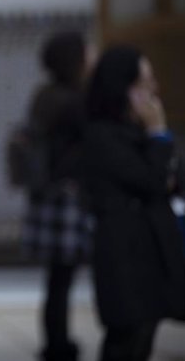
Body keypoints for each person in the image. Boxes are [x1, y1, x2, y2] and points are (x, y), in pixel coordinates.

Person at [83, 45, 185, 361]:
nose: (152, 91)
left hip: (153, 249)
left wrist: (158, 139)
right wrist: (157, 134)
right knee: (127, 335)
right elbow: (152, 181)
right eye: (143, 83)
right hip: (125, 253)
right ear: (121, 87)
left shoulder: (136, 132)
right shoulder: (102, 135)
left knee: (146, 332)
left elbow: (172, 180)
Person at [20, 31, 95, 361]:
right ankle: (58, 346)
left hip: (48, 195)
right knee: (62, 279)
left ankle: (56, 342)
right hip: (66, 196)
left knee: (57, 279)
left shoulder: (44, 94)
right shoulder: (74, 99)